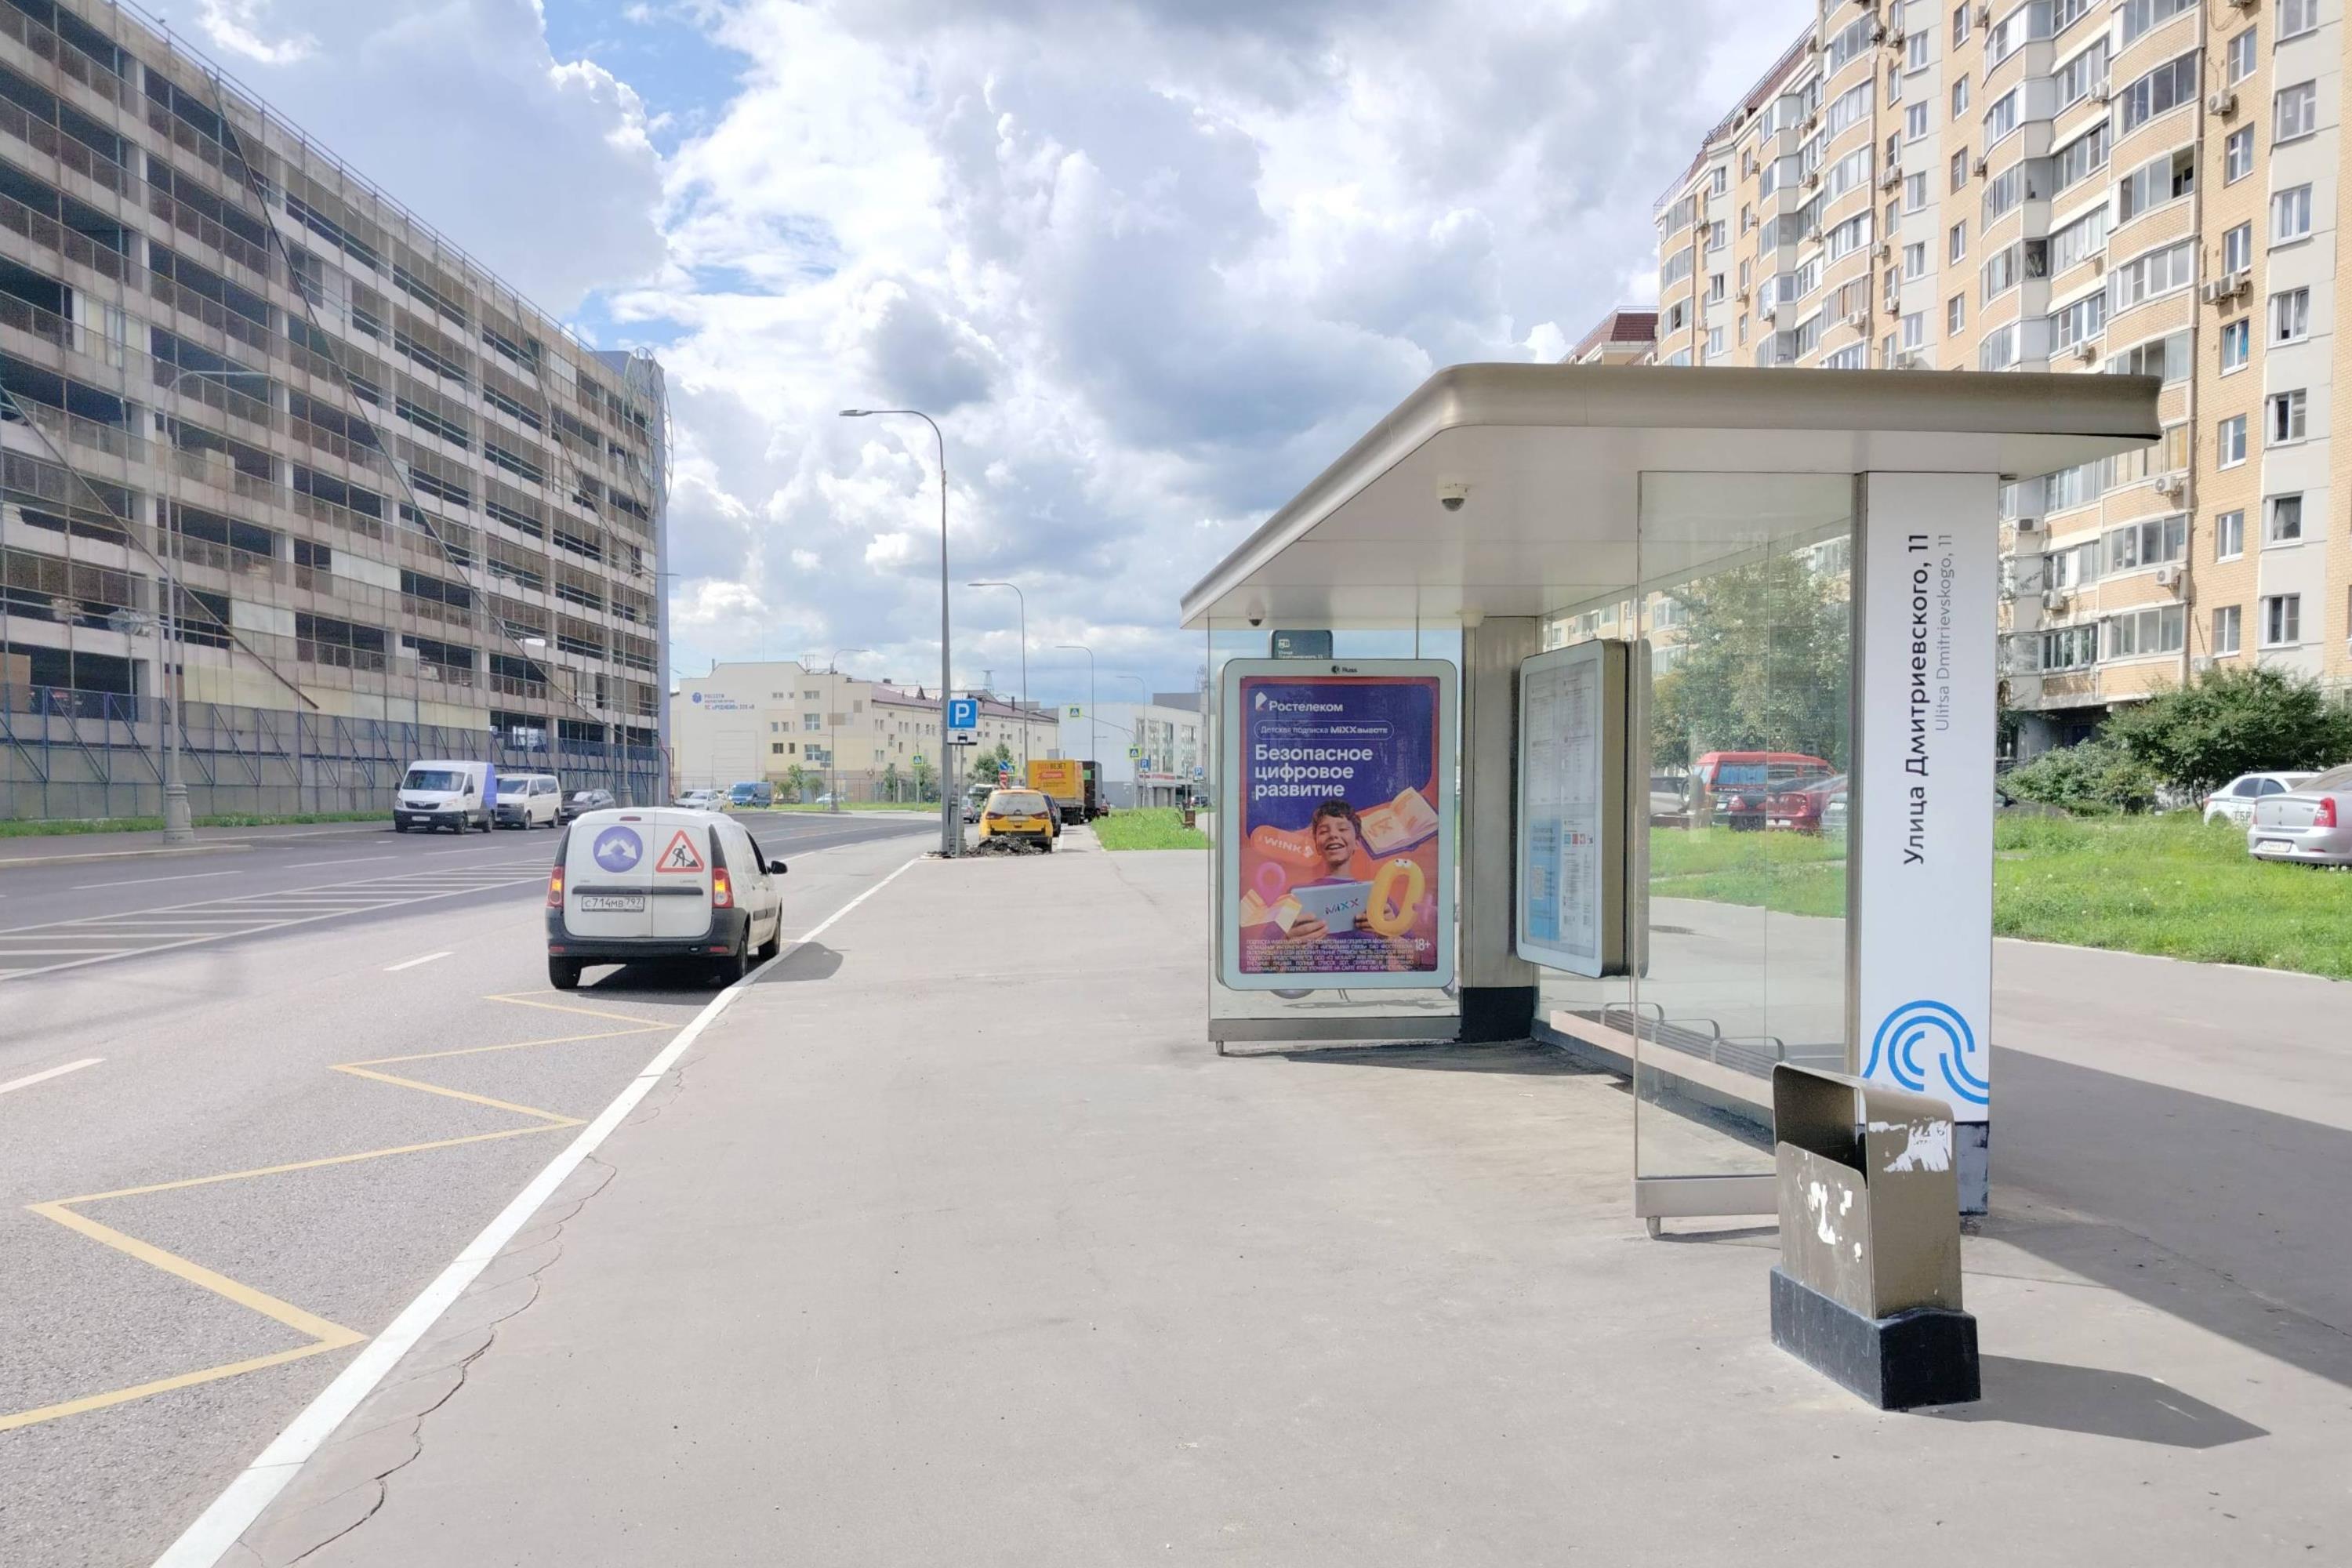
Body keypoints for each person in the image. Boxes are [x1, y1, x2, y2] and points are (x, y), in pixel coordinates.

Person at [1268, 797, 1416, 971]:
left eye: (1343, 829)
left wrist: (1390, 936)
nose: (1333, 835)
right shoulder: (1295, 896)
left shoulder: (1378, 896)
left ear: (1357, 842)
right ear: (1317, 846)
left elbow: (1418, 960)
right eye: (1324, 831)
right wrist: (1287, 944)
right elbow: (1262, 961)